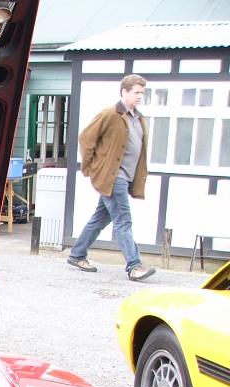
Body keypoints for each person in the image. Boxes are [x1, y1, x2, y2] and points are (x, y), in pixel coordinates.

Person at [67, 74, 156, 282]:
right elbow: (86, 139)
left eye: (142, 93)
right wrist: (89, 168)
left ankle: (77, 254)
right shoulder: (109, 114)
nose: (140, 96)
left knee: (102, 217)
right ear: (124, 91)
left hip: (125, 178)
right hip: (113, 177)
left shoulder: (138, 117)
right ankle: (134, 266)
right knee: (123, 220)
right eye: (136, 92)